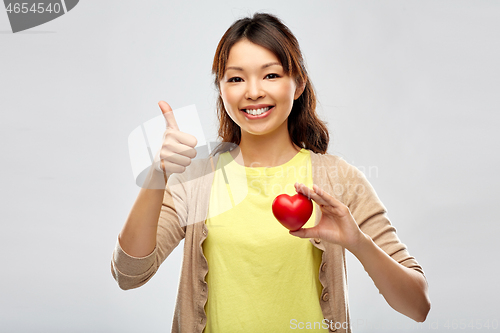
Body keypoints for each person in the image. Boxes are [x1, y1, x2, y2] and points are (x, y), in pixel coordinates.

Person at [111, 13, 430, 333]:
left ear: (299, 83)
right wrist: (156, 176)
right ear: (221, 89)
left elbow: (417, 306)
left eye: (271, 75)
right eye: (235, 79)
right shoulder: (195, 181)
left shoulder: (338, 179)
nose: (253, 92)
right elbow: (128, 275)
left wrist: (358, 242)